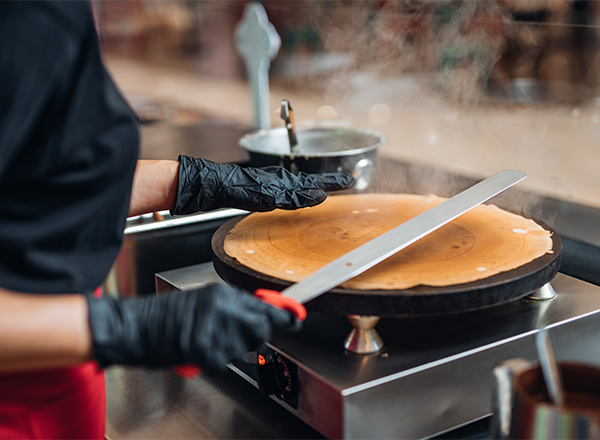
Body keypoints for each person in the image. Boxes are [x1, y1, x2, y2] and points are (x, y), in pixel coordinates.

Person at [0, 2, 355, 439]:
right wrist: (127, 327)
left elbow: (41, 180)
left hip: (64, 374)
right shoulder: (21, 20)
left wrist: (197, 181)